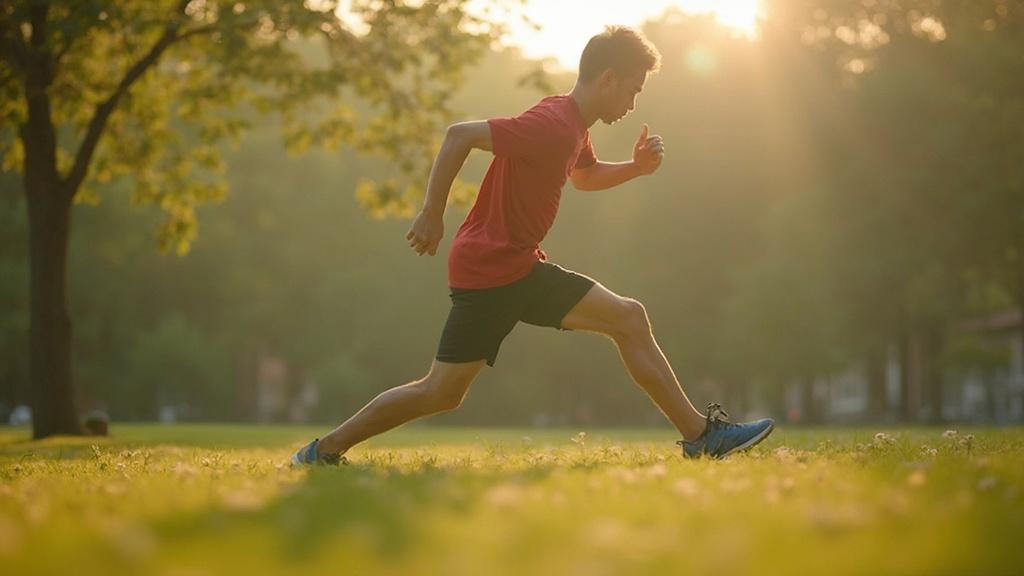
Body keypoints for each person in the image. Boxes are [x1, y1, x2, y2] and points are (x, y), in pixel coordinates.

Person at [293, 26, 774, 466]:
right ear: (609, 78)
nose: (632, 103)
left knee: (628, 317)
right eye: (633, 89)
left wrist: (633, 169)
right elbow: (459, 135)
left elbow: (582, 176)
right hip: (491, 270)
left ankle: (700, 437)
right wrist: (431, 212)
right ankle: (323, 450)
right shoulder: (551, 123)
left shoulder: (573, 126)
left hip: (514, 267)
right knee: (440, 391)